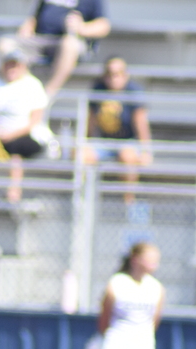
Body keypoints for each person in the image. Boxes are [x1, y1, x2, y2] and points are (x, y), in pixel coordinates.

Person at [0, 47, 48, 203]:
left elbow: (35, 120)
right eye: (9, 65)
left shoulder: (33, 85)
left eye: (15, 65)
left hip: (25, 134)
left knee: (15, 149)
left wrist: (11, 135)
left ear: (23, 67)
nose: (12, 69)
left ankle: (13, 193)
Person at [81, 57, 152, 201]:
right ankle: (85, 201)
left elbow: (140, 122)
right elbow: (90, 120)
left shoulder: (133, 91)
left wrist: (146, 151)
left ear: (125, 75)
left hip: (127, 141)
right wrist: (85, 142)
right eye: (109, 74)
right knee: (81, 156)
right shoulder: (98, 89)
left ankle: (128, 200)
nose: (113, 78)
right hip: (104, 141)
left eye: (117, 74)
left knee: (127, 157)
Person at [15, 0, 111, 97]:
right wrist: (27, 29)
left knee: (69, 43)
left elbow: (104, 26)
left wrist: (82, 28)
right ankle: (23, 87)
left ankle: (48, 94)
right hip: (42, 41)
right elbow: (34, 18)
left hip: (70, 44)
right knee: (6, 44)